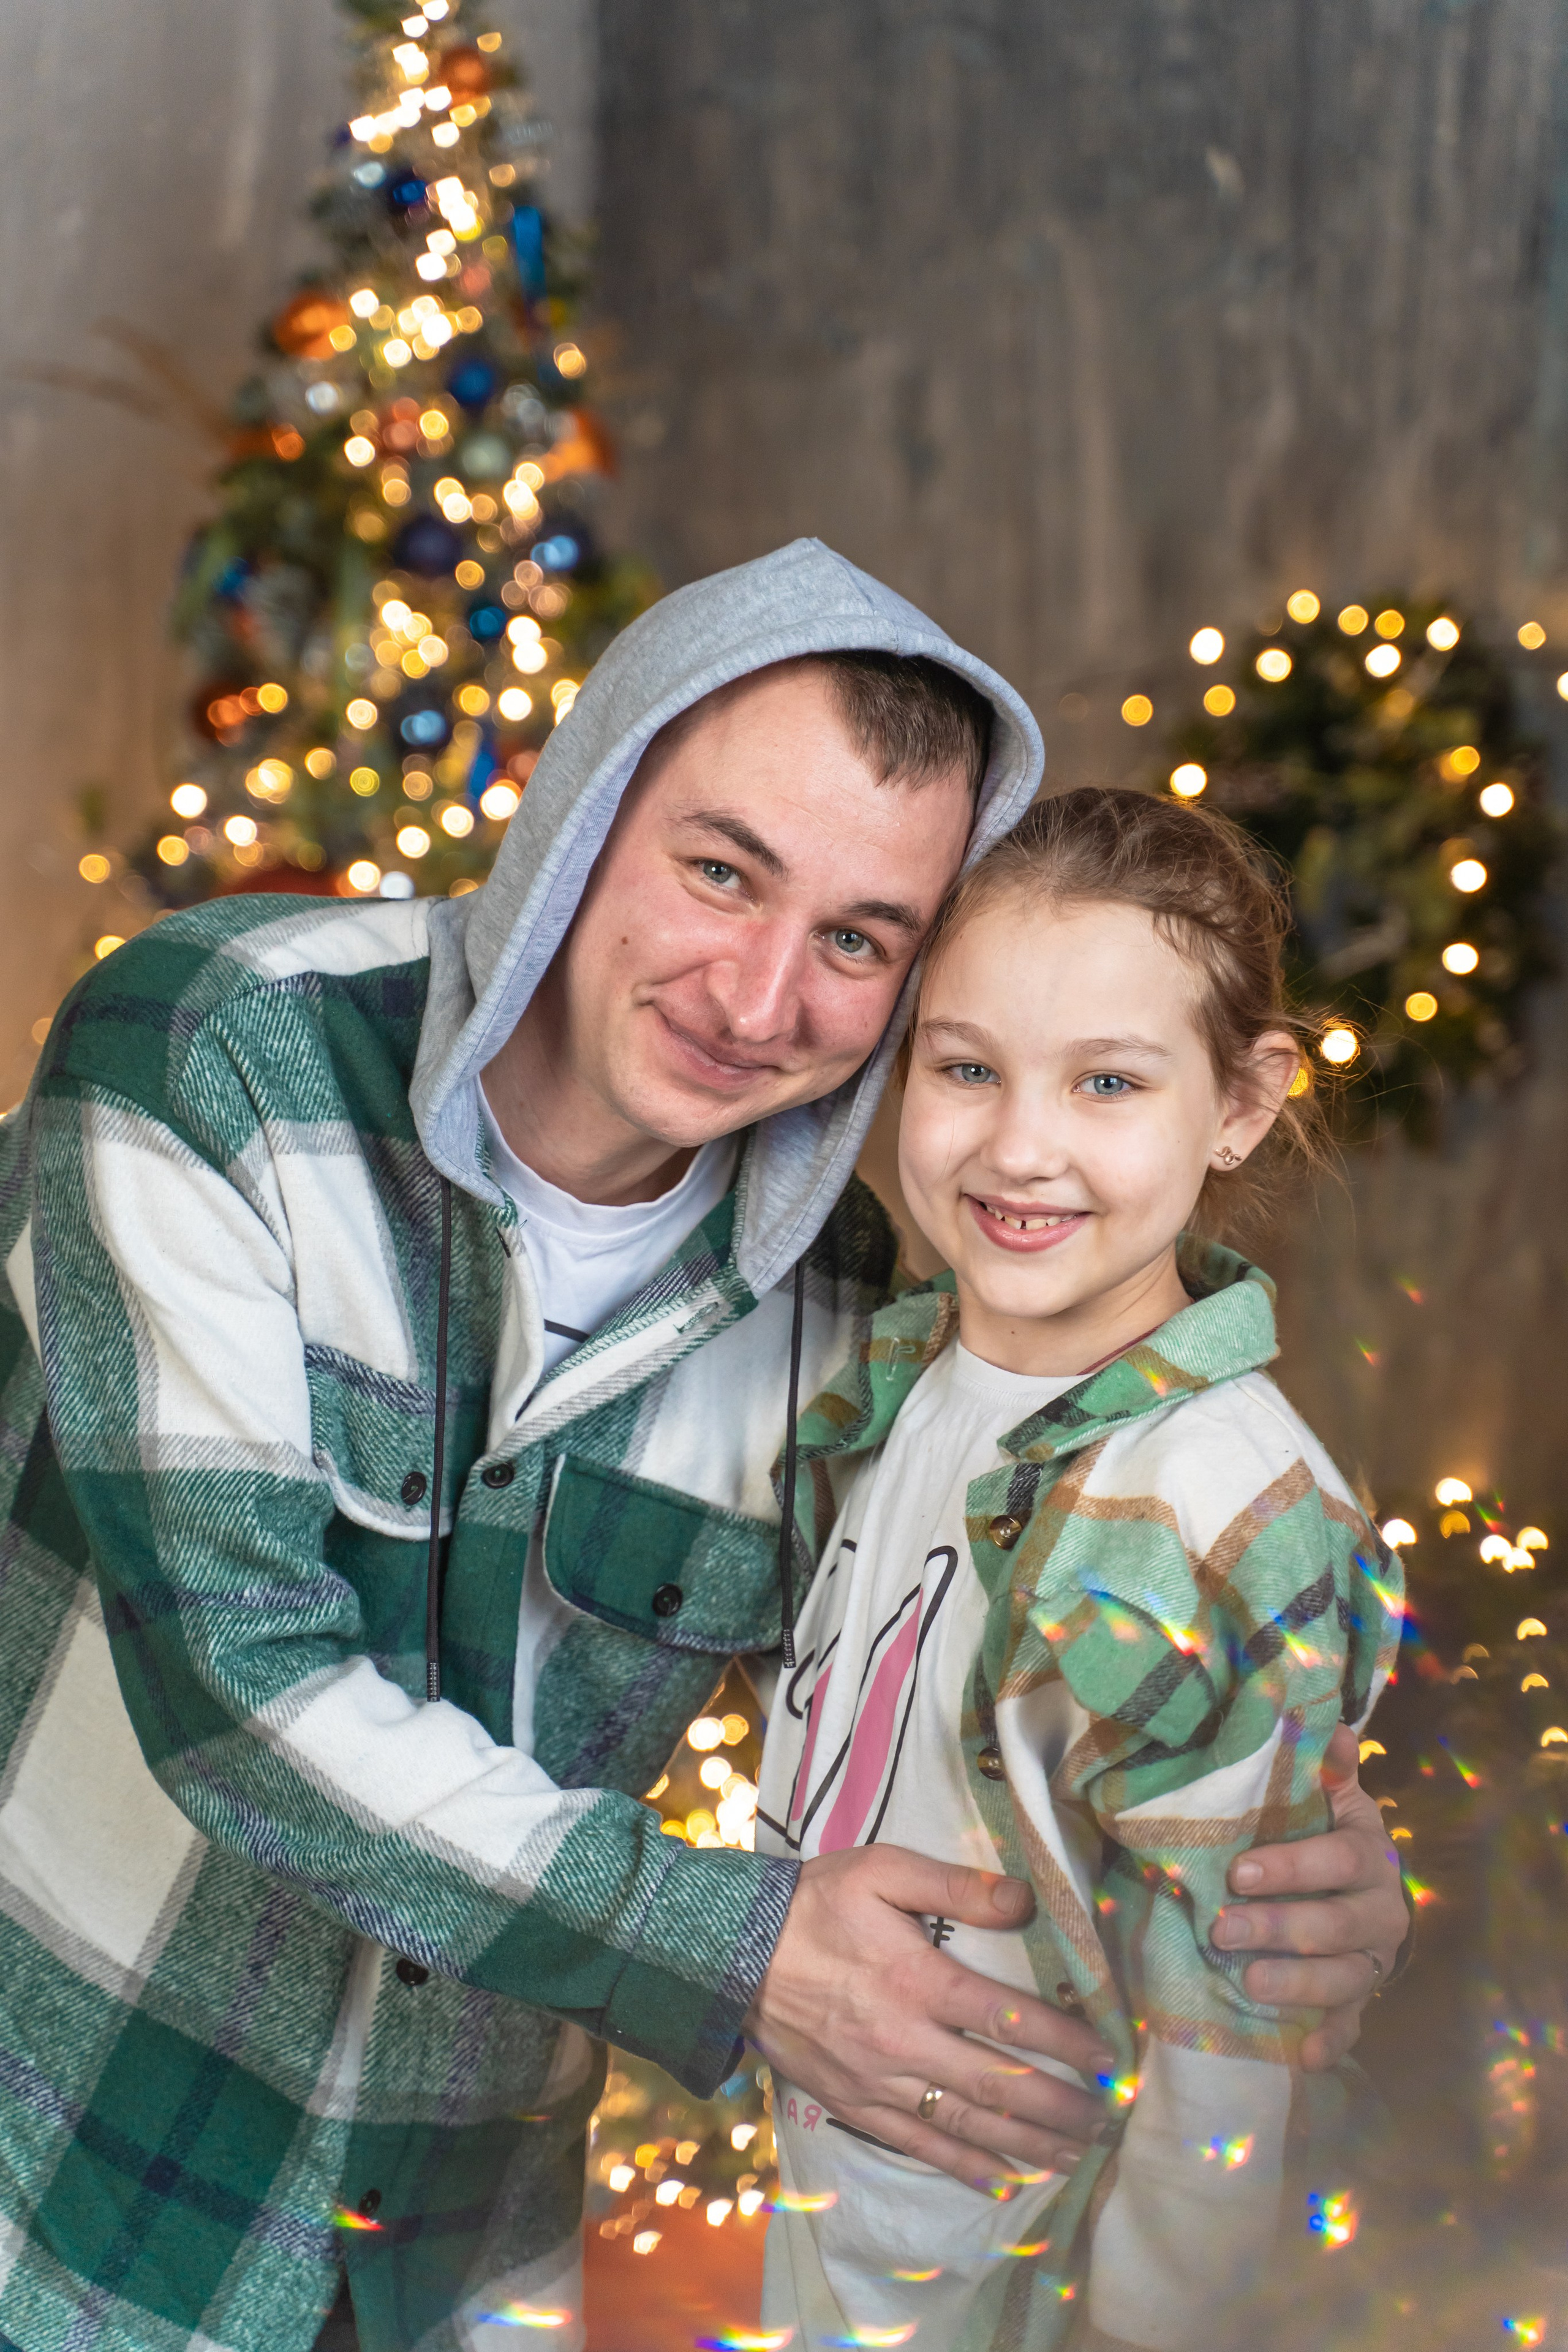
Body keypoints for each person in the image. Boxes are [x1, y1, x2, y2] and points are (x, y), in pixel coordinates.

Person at [0, 544, 1407, 2352]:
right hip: (67, 2177)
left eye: (859, 943)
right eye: (721, 871)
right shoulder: (216, 1049)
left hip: (449, 2255)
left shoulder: (847, 1307)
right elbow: (234, 1691)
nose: (760, 1000)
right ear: (588, 807)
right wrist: (737, 1954)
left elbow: (957, 1686)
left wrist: (1256, 1882)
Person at [755, 786, 1406, 2352]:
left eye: (1106, 1082)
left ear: (1242, 1103)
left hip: (1022, 2269)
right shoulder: (900, 1378)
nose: (1017, 1145)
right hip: (851, 2187)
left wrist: (1148, 2325)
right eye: (964, 1067)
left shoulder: (1204, 1503)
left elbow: (1227, 2025)